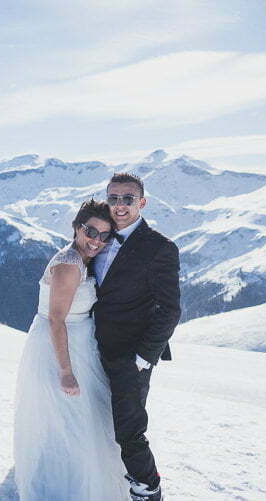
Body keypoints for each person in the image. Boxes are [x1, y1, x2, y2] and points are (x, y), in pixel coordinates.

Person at [13, 199, 129, 501]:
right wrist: (66, 372)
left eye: (105, 235)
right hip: (61, 350)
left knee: (76, 422)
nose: (97, 241)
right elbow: (55, 320)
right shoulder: (68, 265)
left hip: (77, 344)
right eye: (91, 231)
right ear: (78, 227)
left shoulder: (81, 259)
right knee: (73, 423)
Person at [93, 172, 181, 501]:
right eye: (113, 198)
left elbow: (170, 309)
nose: (119, 205)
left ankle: (147, 489)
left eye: (127, 198)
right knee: (94, 416)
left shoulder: (160, 247)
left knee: (129, 428)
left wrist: (144, 358)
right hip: (91, 346)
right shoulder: (96, 235)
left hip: (131, 355)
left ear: (141, 203)